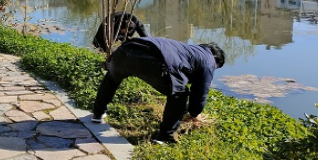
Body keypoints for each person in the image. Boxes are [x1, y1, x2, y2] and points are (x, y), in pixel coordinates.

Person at [91, 36, 225, 144]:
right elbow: (200, 92)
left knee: (111, 79)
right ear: (216, 60)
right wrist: (195, 113)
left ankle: (97, 114)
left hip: (125, 50)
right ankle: (165, 136)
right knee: (179, 94)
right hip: (150, 60)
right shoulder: (209, 61)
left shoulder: (190, 50)